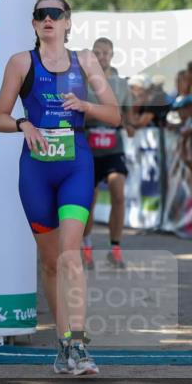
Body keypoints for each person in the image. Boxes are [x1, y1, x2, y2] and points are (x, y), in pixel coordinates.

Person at [0, 0, 121, 376]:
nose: (48, 19)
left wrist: (86, 106)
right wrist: (23, 124)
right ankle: (63, 344)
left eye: (55, 14)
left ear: (68, 22)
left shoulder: (86, 60)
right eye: (41, 14)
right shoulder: (21, 62)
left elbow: (115, 115)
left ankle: (78, 344)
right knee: (50, 263)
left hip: (75, 167)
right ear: (34, 24)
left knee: (70, 255)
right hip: (36, 171)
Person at [82, 37, 131, 271]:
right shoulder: (82, 80)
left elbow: (127, 115)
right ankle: (86, 248)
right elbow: (77, 113)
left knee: (118, 193)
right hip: (89, 147)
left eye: (106, 53)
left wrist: (133, 122)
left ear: (112, 55)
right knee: (89, 201)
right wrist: (97, 113)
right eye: (98, 53)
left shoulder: (121, 83)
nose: (102, 57)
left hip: (114, 147)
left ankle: (115, 249)